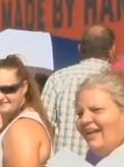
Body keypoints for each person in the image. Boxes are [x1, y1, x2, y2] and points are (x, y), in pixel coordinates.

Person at [42, 25, 115, 158]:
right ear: (111, 51)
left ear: (80, 48)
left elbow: (43, 127)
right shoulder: (119, 81)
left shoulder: (58, 79)